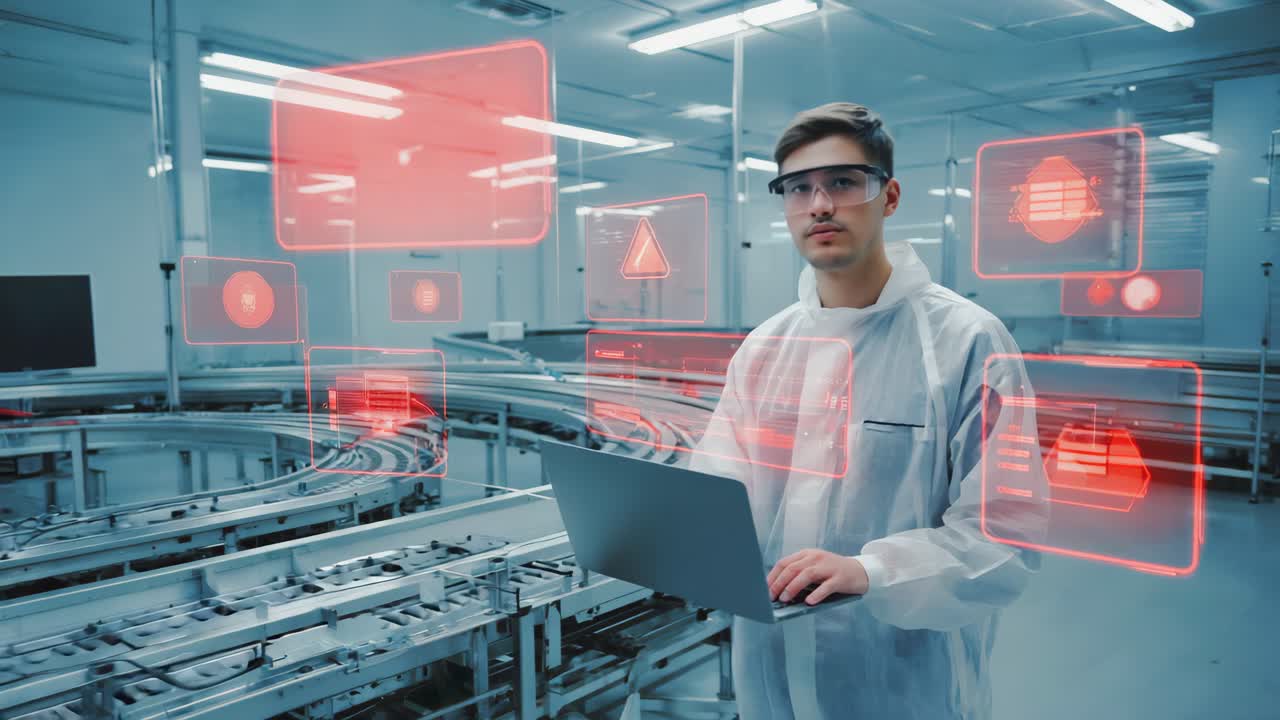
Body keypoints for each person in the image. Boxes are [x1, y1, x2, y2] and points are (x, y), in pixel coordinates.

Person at [689, 103, 1049, 719]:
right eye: (798, 188)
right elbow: (719, 484)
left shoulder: (966, 342)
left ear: (889, 196)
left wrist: (873, 570)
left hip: (900, 677)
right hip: (770, 670)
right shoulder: (766, 347)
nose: (819, 204)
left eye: (843, 182)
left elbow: (1003, 537)